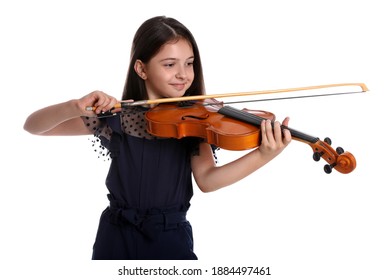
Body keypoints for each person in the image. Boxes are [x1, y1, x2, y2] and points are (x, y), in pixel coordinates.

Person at [23, 16, 292, 260]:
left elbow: (208, 180)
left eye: (189, 64)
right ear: (141, 69)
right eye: (169, 64)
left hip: (169, 237)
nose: (183, 75)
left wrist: (263, 154)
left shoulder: (193, 122)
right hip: (115, 237)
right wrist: (73, 106)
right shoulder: (117, 117)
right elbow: (34, 126)